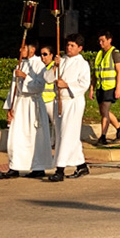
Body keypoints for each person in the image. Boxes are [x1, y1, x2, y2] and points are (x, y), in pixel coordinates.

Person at [0, 44, 52, 179]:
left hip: (33, 104)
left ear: (32, 50)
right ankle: (14, 166)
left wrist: (25, 77)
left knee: (36, 137)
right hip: (20, 103)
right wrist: (10, 107)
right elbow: (13, 88)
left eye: (23, 48)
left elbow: (40, 86)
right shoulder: (19, 65)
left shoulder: (39, 65)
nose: (20, 50)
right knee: (15, 136)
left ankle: (38, 167)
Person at [48, 33, 92, 181]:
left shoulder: (82, 64)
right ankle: (81, 165)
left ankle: (60, 169)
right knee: (64, 134)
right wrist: (55, 66)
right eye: (67, 45)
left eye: (72, 45)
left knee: (66, 134)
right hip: (60, 101)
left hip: (73, 101)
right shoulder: (62, 60)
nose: (69, 48)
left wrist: (67, 85)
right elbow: (47, 79)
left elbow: (84, 84)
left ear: (79, 48)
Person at [91, 32, 120, 146]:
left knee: (105, 112)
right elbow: (95, 73)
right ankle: (119, 128)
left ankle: (103, 136)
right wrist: (92, 88)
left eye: (103, 40)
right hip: (100, 86)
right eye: (99, 41)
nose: (101, 43)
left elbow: (119, 71)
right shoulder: (99, 54)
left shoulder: (114, 53)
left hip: (110, 86)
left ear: (109, 40)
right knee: (103, 111)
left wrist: (118, 88)